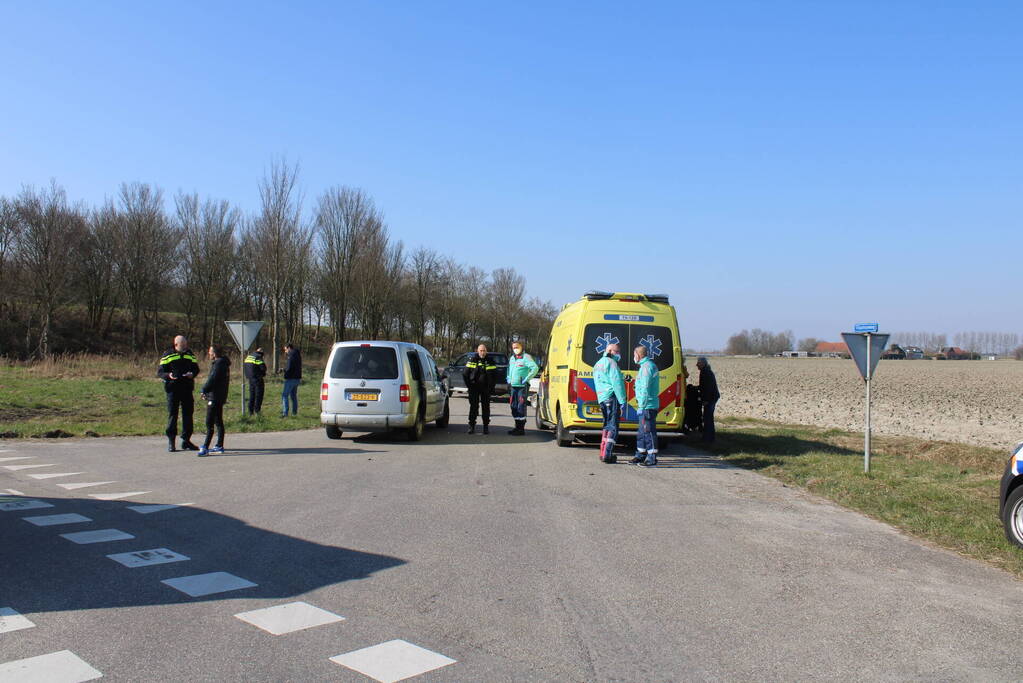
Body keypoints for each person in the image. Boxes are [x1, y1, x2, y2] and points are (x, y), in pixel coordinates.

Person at [157, 335, 200, 452]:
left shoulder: (190, 353)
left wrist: (192, 374)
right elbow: (160, 372)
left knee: (188, 414)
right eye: (183, 345)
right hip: (173, 389)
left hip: (187, 388)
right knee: (173, 414)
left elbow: (196, 368)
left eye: (186, 344)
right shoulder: (167, 354)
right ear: (176, 345)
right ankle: (171, 441)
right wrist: (168, 375)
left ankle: (186, 440)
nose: (185, 347)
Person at [593, 342, 626, 464]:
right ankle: (607, 454)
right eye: (617, 351)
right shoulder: (612, 363)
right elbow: (617, 383)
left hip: (602, 398)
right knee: (613, 426)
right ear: (610, 351)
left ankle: (603, 452)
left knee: (606, 425)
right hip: (611, 396)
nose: (619, 354)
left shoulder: (598, 363)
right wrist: (622, 400)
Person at [198, 345, 231, 457]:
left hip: (215, 397)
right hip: (218, 396)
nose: (209, 354)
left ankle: (205, 447)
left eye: (210, 352)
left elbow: (212, 380)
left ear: (215, 353)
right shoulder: (223, 363)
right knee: (218, 421)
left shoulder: (219, 364)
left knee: (209, 422)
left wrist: (204, 390)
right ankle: (219, 445)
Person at [630, 345, 660, 466]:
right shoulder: (645, 366)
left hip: (648, 406)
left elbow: (645, 388)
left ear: (638, 355)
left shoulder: (647, 367)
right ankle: (641, 455)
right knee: (642, 432)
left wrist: (642, 406)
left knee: (649, 432)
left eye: (634, 355)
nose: (634, 357)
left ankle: (652, 457)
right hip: (645, 405)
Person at [463, 344, 498, 434]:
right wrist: (469, 386)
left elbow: (495, 375)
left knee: (486, 408)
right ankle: (471, 426)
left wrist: (491, 387)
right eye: (481, 350)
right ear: (478, 351)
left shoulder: (490, 361)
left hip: (486, 388)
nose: (482, 352)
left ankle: (486, 427)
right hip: (474, 388)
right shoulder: (472, 360)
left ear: (486, 351)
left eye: (484, 350)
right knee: (473, 407)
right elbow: (465, 374)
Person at [506, 341, 539, 435]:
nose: (515, 349)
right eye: (514, 347)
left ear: (521, 347)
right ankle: (516, 426)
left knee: (520, 406)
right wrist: (508, 378)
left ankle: (521, 429)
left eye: (517, 347)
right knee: (513, 406)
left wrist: (527, 378)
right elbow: (509, 369)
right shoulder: (512, 358)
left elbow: (535, 368)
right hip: (513, 386)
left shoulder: (526, 357)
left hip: (522, 387)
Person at [697, 356, 720, 442]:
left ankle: (708, 438)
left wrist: (706, 400)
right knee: (708, 417)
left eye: (698, 363)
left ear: (703, 363)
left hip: (710, 398)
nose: (696, 365)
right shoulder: (706, 371)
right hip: (712, 397)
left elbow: (708, 388)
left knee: (708, 418)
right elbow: (703, 386)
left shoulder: (705, 372)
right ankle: (709, 437)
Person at [243, 347, 266, 415]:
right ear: (261, 353)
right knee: (259, 395)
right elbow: (263, 368)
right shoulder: (258, 357)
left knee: (252, 395)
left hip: (250, 378)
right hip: (257, 378)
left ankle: (250, 411)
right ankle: (257, 411)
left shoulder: (249, 356)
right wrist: (263, 374)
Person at [281, 343, 302, 417]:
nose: (285, 351)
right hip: (297, 378)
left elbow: (289, 367)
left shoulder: (291, 354)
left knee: (284, 395)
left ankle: (285, 413)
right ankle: (294, 412)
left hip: (291, 379)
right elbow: (293, 367)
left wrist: (285, 371)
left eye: (285, 350)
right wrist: (284, 369)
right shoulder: (297, 354)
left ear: (289, 348)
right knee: (293, 396)